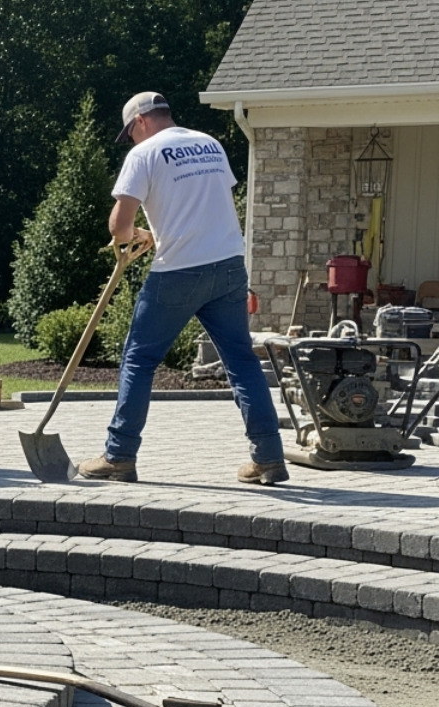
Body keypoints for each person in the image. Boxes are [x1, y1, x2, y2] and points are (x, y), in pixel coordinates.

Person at [78, 92, 287, 485]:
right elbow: (207, 208)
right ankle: (269, 459)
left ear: (140, 120)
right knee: (242, 362)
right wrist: (159, 234)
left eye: (131, 133)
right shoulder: (210, 143)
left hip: (177, 272)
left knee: (140, 360)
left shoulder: (143, 155)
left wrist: (132, 236)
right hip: (227, 267)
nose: (133, 141)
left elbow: (119, 227)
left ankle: (119, 456)